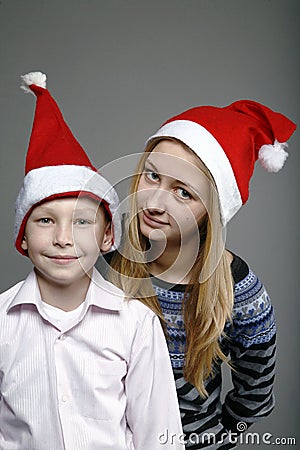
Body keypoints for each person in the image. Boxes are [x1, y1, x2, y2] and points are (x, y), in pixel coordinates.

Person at [0, 72, 185, 450]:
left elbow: (159, 436)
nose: (63, 238)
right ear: (23, 235)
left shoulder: (135, 324)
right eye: (45, 220)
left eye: (82, 221)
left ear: (106, 237)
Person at [108, 100, 297, 448]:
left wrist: (213, 440)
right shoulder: (107, 251)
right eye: (152, 175)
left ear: (212, 210)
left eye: (184, 192)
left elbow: (254, 396)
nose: (155, 203)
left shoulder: (241, 292)